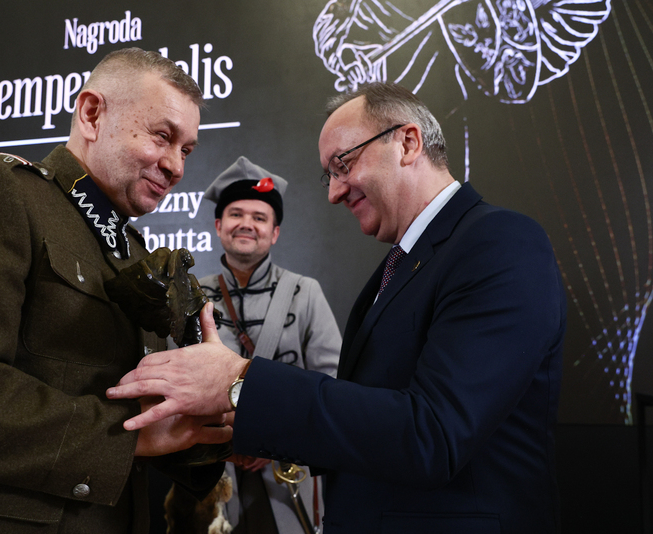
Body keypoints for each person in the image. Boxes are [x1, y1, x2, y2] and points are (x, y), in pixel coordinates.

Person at [107, 81, 567, 534]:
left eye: (343, 165)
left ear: (407, 142)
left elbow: (434, 435)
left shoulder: (499, 242)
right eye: (329, 175)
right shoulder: (402, 264)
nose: (334, 193)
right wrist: (231, 419)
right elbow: (367, 420)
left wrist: (238, 382)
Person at [0, 48, 232, 534]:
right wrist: (126, 436)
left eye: (186, 150)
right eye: (162, 136)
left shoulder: (135, 251)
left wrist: (204, 425)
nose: (175, 167)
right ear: (92, 113)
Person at [199, 157, 341, 532]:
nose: (247, 223)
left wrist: (276, 440)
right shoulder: (193, 294)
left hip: (285, 469)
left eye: (260, 218)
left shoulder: (304, 292)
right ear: (219, 226)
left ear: (275, 232)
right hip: (211, 470)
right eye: (236, 214)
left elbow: (332, 383)